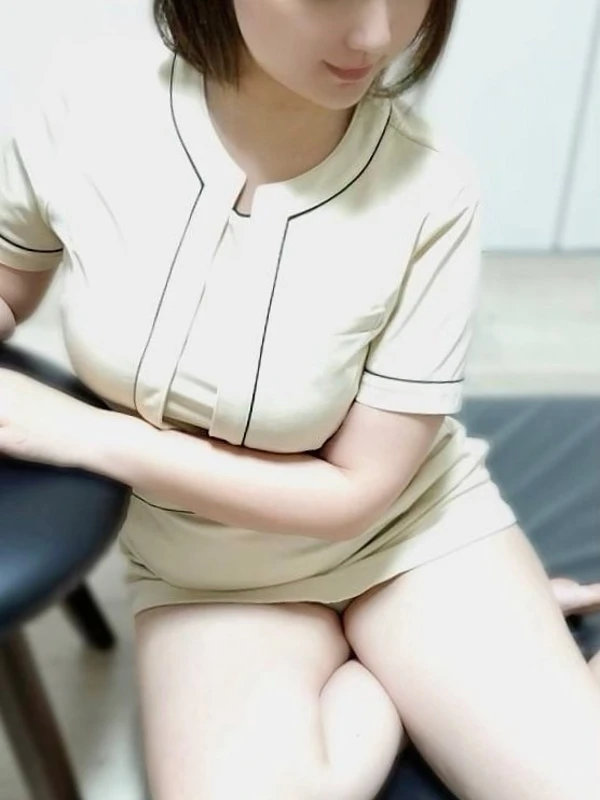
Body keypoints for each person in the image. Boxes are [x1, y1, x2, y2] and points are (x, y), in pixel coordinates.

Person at [0, 1, 599, 798]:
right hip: (210, 572)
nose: (375, 37)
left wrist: (92, 437)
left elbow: (358, 491)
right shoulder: (88, 105)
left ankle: (463, 642)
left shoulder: (433, 189)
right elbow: (9, 281)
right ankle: (421, 672)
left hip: (406, 538)